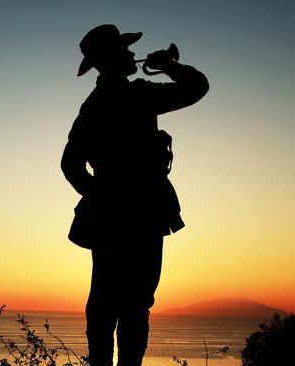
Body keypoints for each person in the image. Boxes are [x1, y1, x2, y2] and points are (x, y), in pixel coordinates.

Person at [61, 24, 209, 366]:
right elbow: (198, 87)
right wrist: (169, 65)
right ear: (112, 58)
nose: (131, 54)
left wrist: (101, 196)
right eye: (125, 50)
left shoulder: (92, 105)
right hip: (144, 213)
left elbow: (70, 164)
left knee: (104, 299)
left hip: (110, 217)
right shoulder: (139, 95)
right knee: (135, 303)